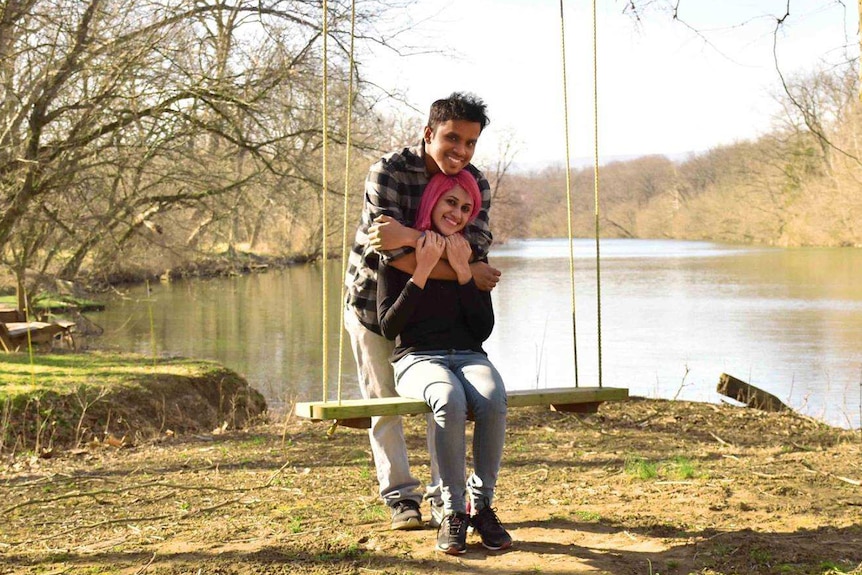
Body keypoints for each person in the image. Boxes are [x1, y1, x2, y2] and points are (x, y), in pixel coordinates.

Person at [343, 92, 501, 531]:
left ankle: (443, 499)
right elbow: (392, 258)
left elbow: (474, 252)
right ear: (429, 133)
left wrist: (412, 240)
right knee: (385, 404)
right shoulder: (389, 171)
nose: (461, 151)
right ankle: (400, 498)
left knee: (441, 400)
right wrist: (459, 265)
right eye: (452, 138)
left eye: (470, 143)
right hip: (371, 302)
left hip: (433, 315)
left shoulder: (474, 183)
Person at [377, 171, 511, 554]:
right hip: (415, 359)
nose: (457, 212)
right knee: (447, 397)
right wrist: (423, 269)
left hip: (469, 355)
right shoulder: (398, 257)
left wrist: (465, 272)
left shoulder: (471, 254)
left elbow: (481, 329)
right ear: (433, 199)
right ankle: (453, 512)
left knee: (492, 394)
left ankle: (481, 505)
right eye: (450, 202)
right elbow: (390, 327)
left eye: (466, 208)